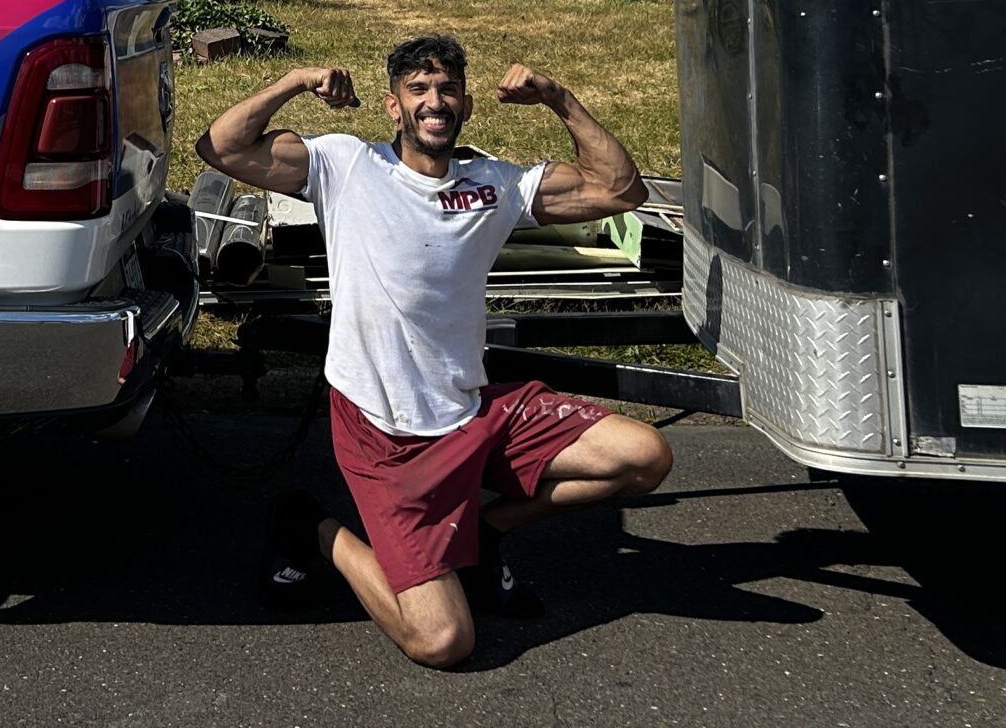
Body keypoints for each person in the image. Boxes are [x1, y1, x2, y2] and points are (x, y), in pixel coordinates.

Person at [194, 33, 673, 668]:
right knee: (443, 641)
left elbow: (619, 192)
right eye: (418, 90)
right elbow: (219, 146)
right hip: (385, 435)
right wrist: (295, 81)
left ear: (466, 105)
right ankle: (312, 526)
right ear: (394, 106)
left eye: (447, 89)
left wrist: (559, 98)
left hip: (471, 413)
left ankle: (485, 529)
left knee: (644, 456)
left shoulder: (495, 185)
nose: (434, 102)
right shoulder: (344, 165)